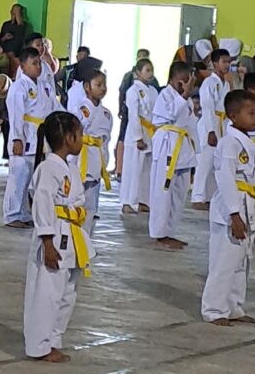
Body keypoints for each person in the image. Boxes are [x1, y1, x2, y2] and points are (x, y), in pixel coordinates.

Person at [23, 110, 94, 363]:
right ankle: (39, 345)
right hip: (54, 236)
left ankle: (53, 340)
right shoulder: (48, 168)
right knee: (47, 293)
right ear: (68, 138)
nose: (83, 139)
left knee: (67, 293)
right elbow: (41, 203)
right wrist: (47, 241)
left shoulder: (69, 169)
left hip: (72, 234)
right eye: (80, 134)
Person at [200, 89, 255, 326]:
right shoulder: (229, 143)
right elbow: (226, 179)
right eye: (251, 113)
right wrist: (234, 214)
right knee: (224, 262)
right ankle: (214, 309)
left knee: (242, 262)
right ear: (232, 115)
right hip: (231, 209)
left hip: (248, 204)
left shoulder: (250, 143)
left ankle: (233, 306)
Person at [149, 61, 198, 251]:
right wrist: (185, 94)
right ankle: (159, 234)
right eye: (181, 82)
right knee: (163, 192)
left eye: (188, 83)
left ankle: (170, 231)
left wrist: (196, 152)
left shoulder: (185, 99)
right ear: (172, 79)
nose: (184, 86)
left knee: (179, 193)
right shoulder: (165, 95)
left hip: (183, 148)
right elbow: (170, 115)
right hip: (167, 147)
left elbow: (191, 124)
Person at [4, 48, 55, 228]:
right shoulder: (19, 86)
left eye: (39, 63)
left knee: (31, 180)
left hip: (40, 137)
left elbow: (54, 108)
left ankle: (25, 213)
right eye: (34, 63)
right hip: (24, 136)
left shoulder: (45, 86)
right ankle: (12, 214)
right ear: (23, 66)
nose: (38, 67)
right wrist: (17, 138)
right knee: (18, 177)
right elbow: (16, 114)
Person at [67, 69, 112, 234]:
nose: (103, 88)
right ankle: (71, 237)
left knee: (91, 206)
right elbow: (75, 130)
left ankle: (86, 240)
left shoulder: (107, 114)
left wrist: (104, 161)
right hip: (80, 159)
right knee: (75, 200)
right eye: (98, 85)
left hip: (95, 162)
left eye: (104, 85)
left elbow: (105, 141)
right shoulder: (80, 108)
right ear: (87, 87)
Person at [191, 47, 232, 208]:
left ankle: (209, 197)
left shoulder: (225, 84)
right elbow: (207, 107)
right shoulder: (209, 82)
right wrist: (210, 131)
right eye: (224, 62)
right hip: (210, 122)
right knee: (204, 162)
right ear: (215, 63)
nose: (227, 65)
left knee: (216, 163)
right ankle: (197, 197)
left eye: (229, 62)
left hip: (222, 122)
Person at [120, 58, 158, 215]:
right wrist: (138, 137)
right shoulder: (133, 91)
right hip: (138, 132)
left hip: (151, 132)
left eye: (152, 70)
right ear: (138, 72)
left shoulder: (154, 90)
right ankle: (126, 202)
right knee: (132, 168)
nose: (151, 74)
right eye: (147, 70)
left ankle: (143, 200)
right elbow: (133, 115)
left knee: (146, 169)